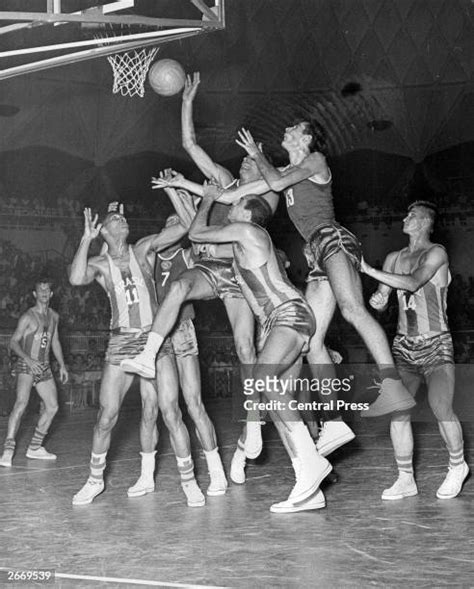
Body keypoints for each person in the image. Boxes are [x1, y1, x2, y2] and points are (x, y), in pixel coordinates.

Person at [203, 124, 416, 434]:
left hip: (332, 238)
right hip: (317, 250)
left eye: (293, 128)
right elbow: (233, 193)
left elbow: (275, 182)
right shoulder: (286, 169)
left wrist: (256, 155)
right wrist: (191, 187)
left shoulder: (315, 160)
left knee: (352, 309)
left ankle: (393, 386)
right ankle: (333, 423)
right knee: (312, 341)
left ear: (306, 139)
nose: (286, 129)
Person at [122, 73, 279, 479]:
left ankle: (253, 424)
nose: (243, 160)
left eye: (251, 158)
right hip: (210, 268)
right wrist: (186, 102)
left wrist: (193, 185)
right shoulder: (227, 182)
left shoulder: (264, 195)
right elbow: (190, 145)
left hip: (241, 273)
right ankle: (146, 354)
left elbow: (241, 188)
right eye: (244, 157)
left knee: (246, 350)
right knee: (177, 286)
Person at [187, 184, 332, 513]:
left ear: (247, 214)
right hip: (283, 320)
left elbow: (197, 235)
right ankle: (309, 488)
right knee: (276, 396)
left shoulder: (248, 230)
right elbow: (205, 251)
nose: (230, 208)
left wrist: (208, 198)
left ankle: (310, 460)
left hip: (288, 315)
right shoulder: (241, 245)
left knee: (262, 381)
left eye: (235, 205)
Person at [69, 204, 188, 505]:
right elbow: (75, 278)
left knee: (167, 410)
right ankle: (95, 480)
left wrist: (180, 201)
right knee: (106, 416)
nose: (122, 220)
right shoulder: (101, 262)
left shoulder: (143, 249)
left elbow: (184, 227)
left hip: (153, 341)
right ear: (104, 231)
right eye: (114, 219)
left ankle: (186, 481)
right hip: (121, 342)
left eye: (123, 218)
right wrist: (85, 238)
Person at [362, 201, 469, 500]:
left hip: (435, 343)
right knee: (399, 411)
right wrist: (378, 300)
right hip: (403, 346)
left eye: (412, 216)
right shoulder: (393, 257)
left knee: (439, 406)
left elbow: (412, 283)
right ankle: (406, 479)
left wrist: (367, 269)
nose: (406, 218)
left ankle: (457, 465)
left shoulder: (437, 252)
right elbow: (383, 295)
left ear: (424, 223)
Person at [151, 212, 227, 507]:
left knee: (194, 404)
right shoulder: (150, 256)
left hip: (182, 330)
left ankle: (216, 470)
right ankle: (189, 480)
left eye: (176, 224)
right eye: (166, 223)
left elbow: (196, 230)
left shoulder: (188, 255)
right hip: (157, 334)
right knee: (168, 408)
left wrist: (187, 207)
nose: (171, 227)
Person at [0, 278, 68, 467]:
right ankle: (8, 450)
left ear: (51, 294)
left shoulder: (54, 316)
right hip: (26, 365)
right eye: (41, 290)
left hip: (44, 367)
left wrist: (62, 365)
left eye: (47, 291)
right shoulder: (28, 317)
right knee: (21, 403)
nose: (44, 294)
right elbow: (13, 341)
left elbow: (54, 342)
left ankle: (35, 447)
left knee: (53, 407)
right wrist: (28, 359)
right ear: (35, 294)